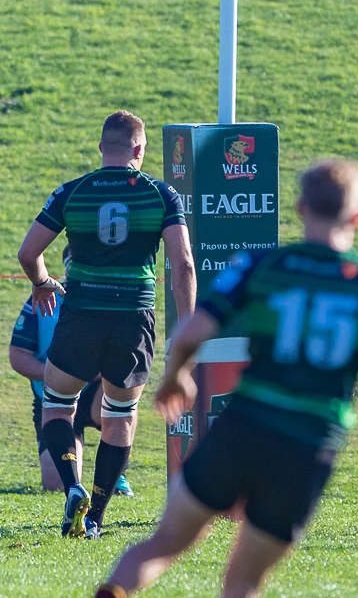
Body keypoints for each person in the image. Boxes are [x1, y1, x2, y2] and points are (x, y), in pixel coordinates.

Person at [95, 158, 358, 597]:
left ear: (300, 208)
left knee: (164, 543)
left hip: (244, 425)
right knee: (243, 579)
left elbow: (191, 332)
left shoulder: (262, 265)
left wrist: (177, 377)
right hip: (308, 445)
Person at [16, 111, 193, 537]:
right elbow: (184, 265)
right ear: (139, 149)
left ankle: (72, 488)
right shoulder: (161, 195)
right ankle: (95, 516)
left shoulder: (72, 192)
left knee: (58, 406)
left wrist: (42, 283)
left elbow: (28, 253)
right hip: (133, 319)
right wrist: (187, 329)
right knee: (120, 417)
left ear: (101, 148)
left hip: (82, 315)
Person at [10, 247, 133, 495]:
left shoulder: (109, 298)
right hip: (52, 394)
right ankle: (75, 474)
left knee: (122, 391)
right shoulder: (44, 297)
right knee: (56, 485)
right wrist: (56, 374)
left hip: (94, 391)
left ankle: (116, 472)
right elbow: (18, 356)